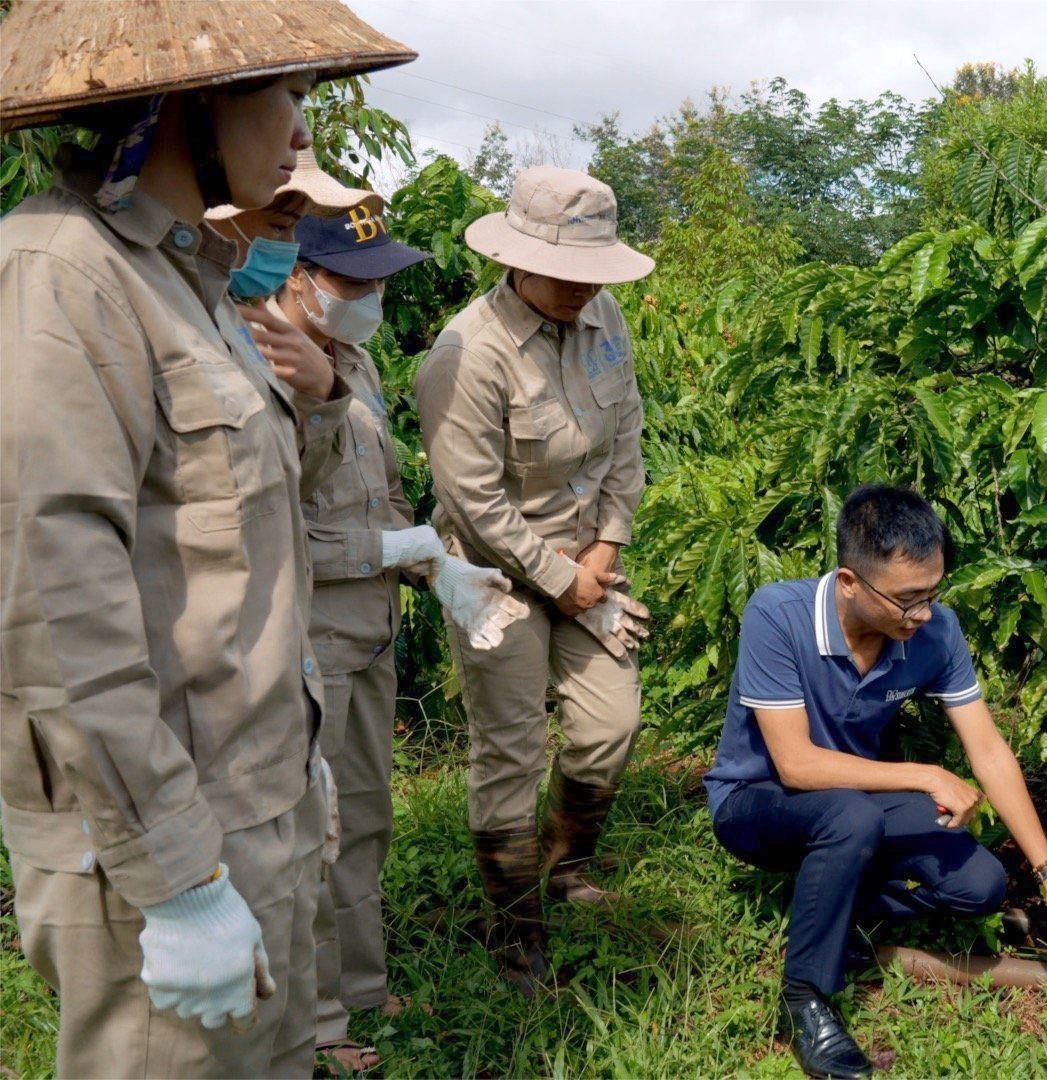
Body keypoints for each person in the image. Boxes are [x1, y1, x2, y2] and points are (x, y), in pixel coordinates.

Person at [0, 2, 414, 1076]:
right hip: (162, 838)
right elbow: (55, 609)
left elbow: (242, 554)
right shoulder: (64, 273)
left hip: (255, 805)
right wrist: (178, 879)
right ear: (188, 103)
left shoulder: (198, 283)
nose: (301, 136)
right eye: (288, 97)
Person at [706, 484, 1047, 1080]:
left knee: (980, 885)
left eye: (934, 592)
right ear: (850, 582)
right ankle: (806, 998)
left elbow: (987, 748)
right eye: (908, 600)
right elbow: (796, 765)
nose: (924, 613)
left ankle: (830, 895)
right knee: (847, 817)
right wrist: (926, 774)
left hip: (856, 802)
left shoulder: (934, 631)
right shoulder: (777, 615)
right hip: (759, 805)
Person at [272, 209, 529, 1072]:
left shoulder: (357, 359)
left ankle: (363, 988)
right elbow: (252, 530)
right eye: (354, 280)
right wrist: (390, 550)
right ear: (295, 275)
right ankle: (314, 1026)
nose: (373, 296)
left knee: (366, 819)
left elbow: (378, 496)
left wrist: (435, 568)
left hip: (368, 630)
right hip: (302, 636)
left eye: (380, 277)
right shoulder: (266, 367)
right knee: (314, 830)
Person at [414, 165, 654, 996]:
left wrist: (606, 550)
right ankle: (516, 928)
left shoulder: (603, 316)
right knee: (510, 747)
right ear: (518, 261)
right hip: (493, 575)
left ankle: (565, 863)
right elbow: (471, 501)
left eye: (596, 275)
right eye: (569, 274)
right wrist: (562, 580)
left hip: (585, 565)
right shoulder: (466, 352)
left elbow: (626, 435)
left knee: (608, 723)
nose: (585, 290)